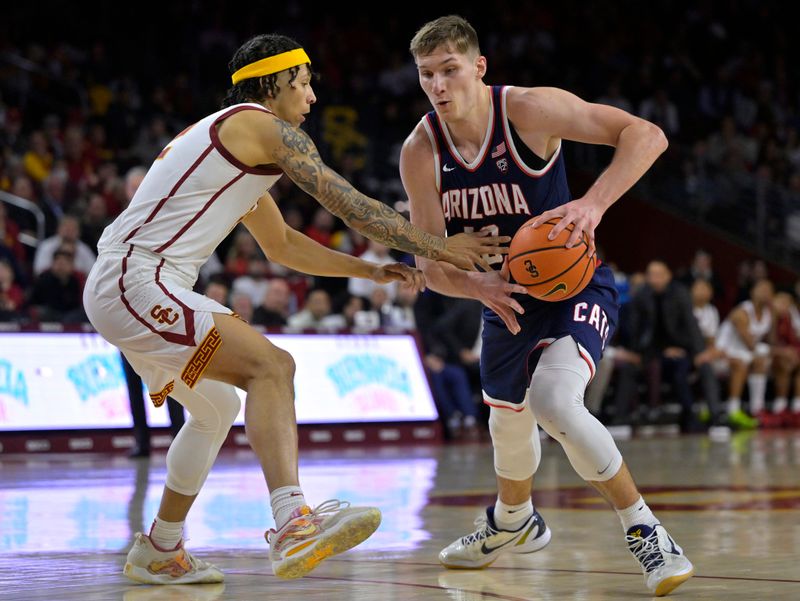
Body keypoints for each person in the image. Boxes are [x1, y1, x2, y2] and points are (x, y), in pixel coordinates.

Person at [82, 32, 503, 586]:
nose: (310, 98)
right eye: (303, 84)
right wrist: (440, 246)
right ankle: (292, 522)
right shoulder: (256, 125)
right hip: (137, 280)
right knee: (272, 367)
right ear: (275, 82)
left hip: (137, 286)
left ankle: (161, 547)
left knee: (213, 411)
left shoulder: (232, 150)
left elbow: (283, 247)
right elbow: (344, 200)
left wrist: (369, 269)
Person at [399, 16, 692, 595]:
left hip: (573, 286)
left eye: (449, 70)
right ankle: (514, 522)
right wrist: (477, 286)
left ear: (478, 67)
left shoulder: (529, 110)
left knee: (555, 401)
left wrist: (592, 205)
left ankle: (648, 533)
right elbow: (431, 264)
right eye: (426, 75)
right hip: (502, 299)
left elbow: (647, 135)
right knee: (506, 424)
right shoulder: (420, 149)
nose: (438, 85)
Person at [120, 166, 185, 460]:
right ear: (126, 192)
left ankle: (179, 438)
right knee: (134, 381)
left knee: (173, 377)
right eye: (132, 187)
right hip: (128, 311)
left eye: (140, 186)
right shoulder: (120, 223)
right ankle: (141, 441)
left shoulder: (167, 220)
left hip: (162, 308)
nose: (137, 191)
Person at [716, 278, 774, 429]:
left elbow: (771, 341)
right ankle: (733, 410)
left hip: (745, 354)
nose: (765, 293)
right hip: (722, 354)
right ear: (752, 292)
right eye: (761, 289)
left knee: (761, 361)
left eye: (768, 290)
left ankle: (757, 409)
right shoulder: (741, 312)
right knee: (744, 362)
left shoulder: (769, 314)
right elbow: (750, 344)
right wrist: (772, 351)